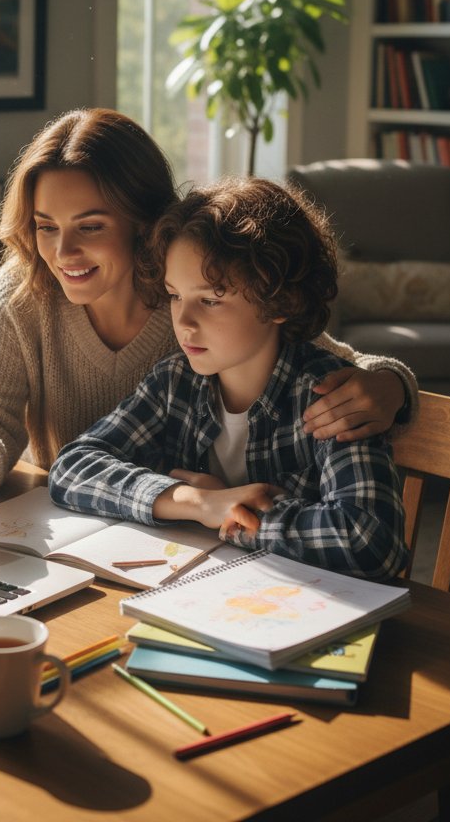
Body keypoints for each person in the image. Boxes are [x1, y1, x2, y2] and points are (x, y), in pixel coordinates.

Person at [0, 108, 416, 507]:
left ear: (142, 221)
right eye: (46, 226)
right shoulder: (24, 288)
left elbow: (331, 360)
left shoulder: (193, 292)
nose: (63, 252)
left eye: (90, 227)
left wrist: (392, 386)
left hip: (182, 536)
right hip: (73, 517)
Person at [48, 177, 408, 580]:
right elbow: (72, 467)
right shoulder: (175, 382)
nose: (184, 322)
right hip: (200, 591)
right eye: (175, 295)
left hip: (305, 604)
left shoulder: (329, 397)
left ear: (282, 300)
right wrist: (197, 502)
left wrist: (238, 515)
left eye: (210, 300)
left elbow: (372, 542)